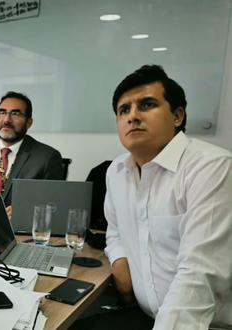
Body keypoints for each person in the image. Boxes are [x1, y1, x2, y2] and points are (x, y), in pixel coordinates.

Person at [74, 65, 232, 329]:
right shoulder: (116, 171)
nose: (132, 116)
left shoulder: (211, 167)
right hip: (146, 314)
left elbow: (199, 275)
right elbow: (114, 232)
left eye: (146, 105)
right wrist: (119, 261)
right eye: (124, 110)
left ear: (177, 116)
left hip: (202, 324)